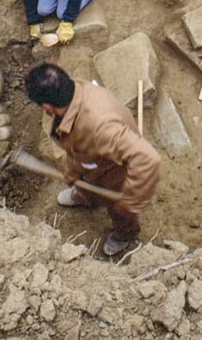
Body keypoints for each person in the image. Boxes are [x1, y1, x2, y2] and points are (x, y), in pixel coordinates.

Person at [25, 63, 161, 256]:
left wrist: (132, 199)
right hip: (90, 160)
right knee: (84, 178)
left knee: (120, 211)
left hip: (115, 170)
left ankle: (124, 234)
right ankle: (84, 196)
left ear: (47, 106)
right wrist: (74, 172)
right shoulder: (74, 91)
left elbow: (148, 159)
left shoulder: (101, 127)